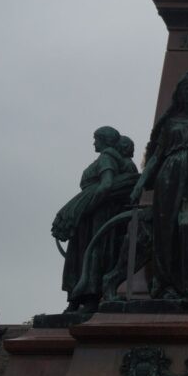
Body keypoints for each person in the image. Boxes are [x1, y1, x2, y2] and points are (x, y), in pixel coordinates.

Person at [129, 72, 188, 301]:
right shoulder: (170, 123)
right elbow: (156, 156)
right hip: (169, 174)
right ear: (179, 94)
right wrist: (140, 184)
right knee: (165, 230)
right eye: (186, 89)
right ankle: (166, 286)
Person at [52, 126, 139, 312]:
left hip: (95, 215)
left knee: (89, 253)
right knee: (88, 254)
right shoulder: (116, 159)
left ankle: (86, 298)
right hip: (98, 214)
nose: (94, 142)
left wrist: (84, 207)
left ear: (105, 140)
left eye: (96, 139)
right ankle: (79, 298)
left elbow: (106, 185)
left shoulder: (107, 158)